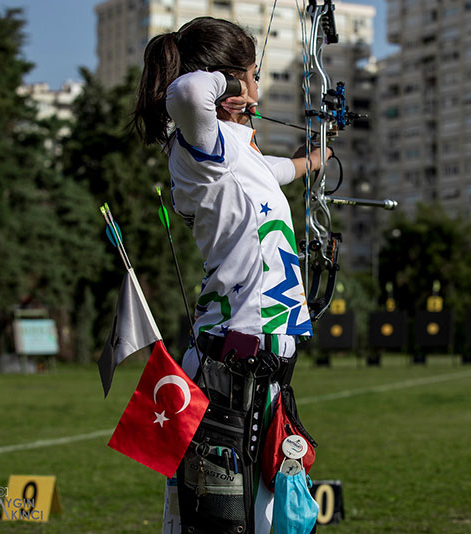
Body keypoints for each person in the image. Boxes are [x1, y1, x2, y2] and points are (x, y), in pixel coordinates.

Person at [133, 16, 326, 534]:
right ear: (231, 83)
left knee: (266, 517)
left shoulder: (237, 152)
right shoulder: (200, 145)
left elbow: (276, 172)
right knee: (224, 523)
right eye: (253, 76)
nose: (258, 89)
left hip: (263, 363)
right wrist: (230, 81)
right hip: (231, 360)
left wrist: (316, 157)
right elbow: (192, 92)